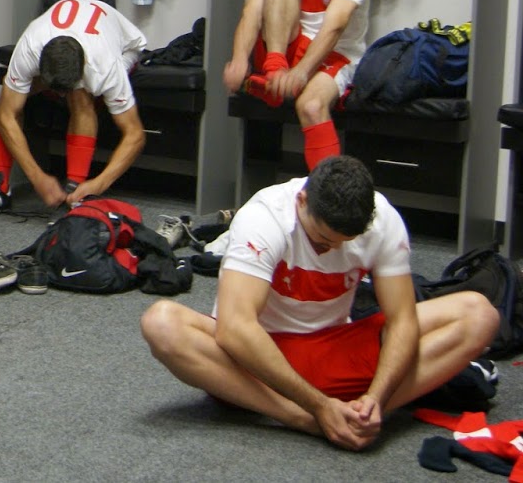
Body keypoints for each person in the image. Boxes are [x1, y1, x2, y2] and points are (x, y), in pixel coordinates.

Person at [139, 155, 497, 451]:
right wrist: (317, 408)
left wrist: (377, 397)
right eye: (322, 240)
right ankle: (305, 420)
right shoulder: (265, 215)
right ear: (302, 201)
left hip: (334, 352)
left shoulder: (383, 220)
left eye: (344, 242)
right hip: (256, 367)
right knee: (162, 322)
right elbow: (235, 329)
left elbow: (402, 319)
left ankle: (361, 418)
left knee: (479, 314)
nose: (331, 250)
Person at [222, 0, 373, 170]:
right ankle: (273, 67)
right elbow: (252, 10)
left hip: (333, 54)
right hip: (283, 46)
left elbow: (335, 26)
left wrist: (302, 71)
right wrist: (239, 59)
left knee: (311, 106)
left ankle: (327, 193)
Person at [0, 0, 148, 218]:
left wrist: (99, 183)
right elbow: (7, 115)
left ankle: (74, 191)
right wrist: (37, 177)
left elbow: (135, 134)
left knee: (80, 95)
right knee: (8, 98)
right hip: (70, 44)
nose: (60, 97)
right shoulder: (30, 46)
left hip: (127, 48)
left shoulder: (106, 66)